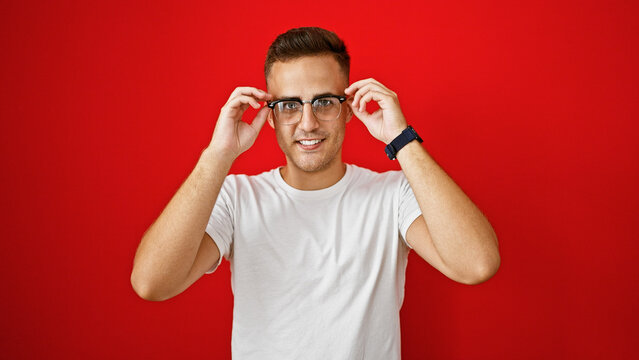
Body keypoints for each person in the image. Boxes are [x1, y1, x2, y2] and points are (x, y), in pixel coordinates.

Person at [131, 27, 500, 359]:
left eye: (324, 102)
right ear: (271, 115)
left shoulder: (391, 195)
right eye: (290, 105)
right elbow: (152, 283)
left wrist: (401, 140)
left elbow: (477, 264)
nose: (307, 123)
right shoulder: (237, 198)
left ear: (348, 110)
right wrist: (217, 156)